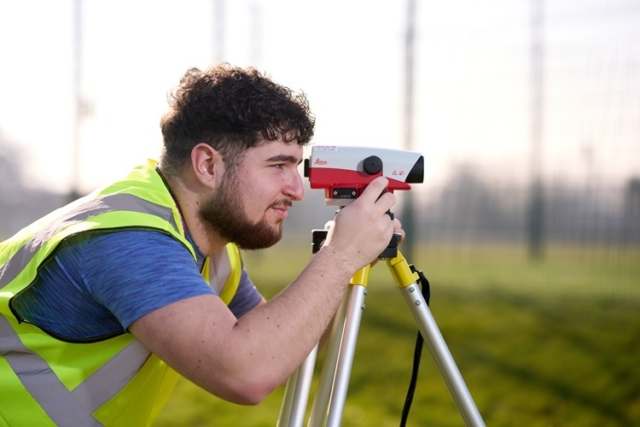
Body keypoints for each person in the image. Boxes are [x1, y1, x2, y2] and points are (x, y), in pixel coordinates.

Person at [0, 63, 402, 426]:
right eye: (277, 165)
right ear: (208, 165)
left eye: (296, 166)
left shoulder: (210, 249)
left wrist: (348, 257)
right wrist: (339, 256)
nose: (296, 190)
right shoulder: (129, 241)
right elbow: (246, 372)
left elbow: (286, 346)